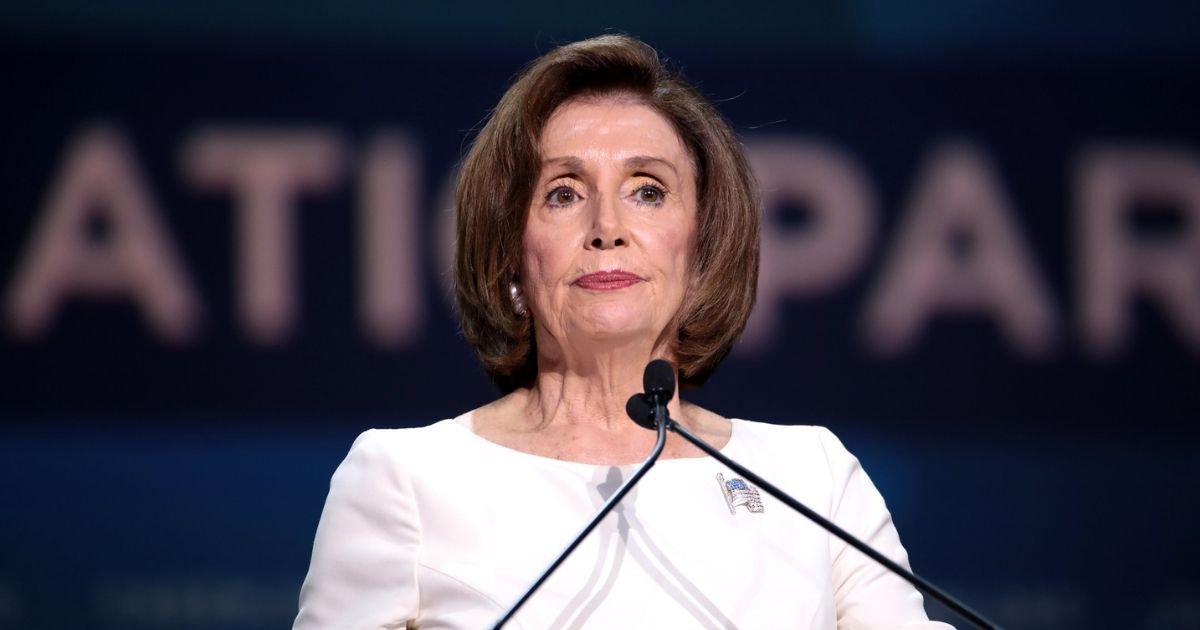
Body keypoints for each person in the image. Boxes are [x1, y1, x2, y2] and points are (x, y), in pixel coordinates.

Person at [294, 34, 953, 629]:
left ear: (700, 251)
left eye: (647, 190)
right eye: (563, 193)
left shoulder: (813, 480)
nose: (607, 226)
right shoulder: (407, 480)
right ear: (512, 258)